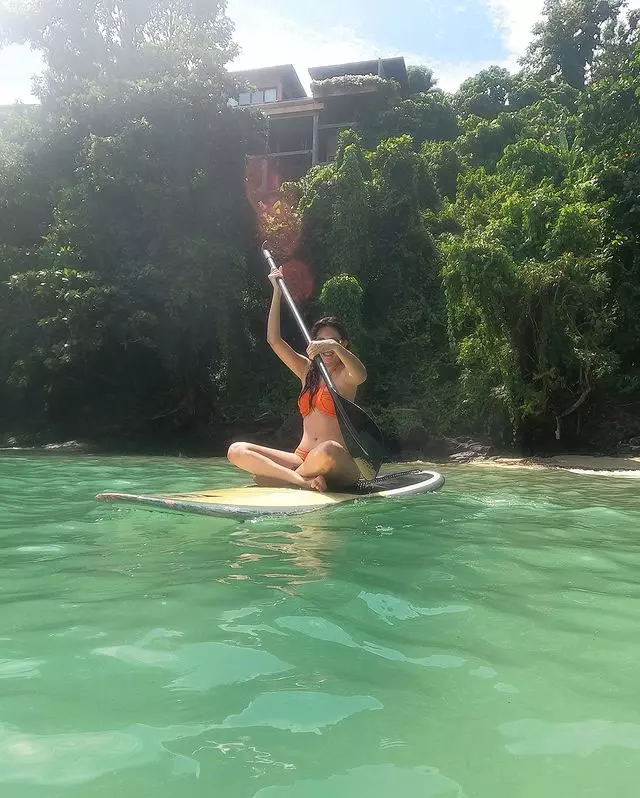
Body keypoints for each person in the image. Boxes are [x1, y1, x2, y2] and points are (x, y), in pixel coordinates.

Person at [227, 266, 367, 492]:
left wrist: (333, 346)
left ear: (343, 344)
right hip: (301, 457)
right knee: (236, 450)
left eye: (332, 341)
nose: (326, 346)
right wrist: (276, 291)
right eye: (320, 341)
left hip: (335, 461)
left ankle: (281, 477)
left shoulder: (345, 376)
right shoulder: (306, 370)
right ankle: (300, 480)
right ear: (313, 344)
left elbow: (361, 374)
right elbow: (274, 340)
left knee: (328, 449)